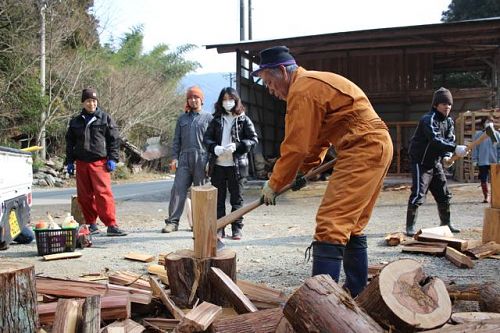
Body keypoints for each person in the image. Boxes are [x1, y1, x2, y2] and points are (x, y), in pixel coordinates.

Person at [253, 46, 393, 297]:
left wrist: (274, 183)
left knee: (331, 223)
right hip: (375, 144)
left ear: (283, 71)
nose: (270, 90)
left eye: (269, 82)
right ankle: (356, 293)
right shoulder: (310, 85)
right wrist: (302, 173)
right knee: (351, 226)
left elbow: (295, 146)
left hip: (363, 146)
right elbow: (316, 142)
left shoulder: (303, 90)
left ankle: (320, 302)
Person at [405, 87, 468, 237]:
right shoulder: (428, 119)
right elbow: (435, 140)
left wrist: (447, 156)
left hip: (436, 162)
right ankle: (410, 226)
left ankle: (446, 223)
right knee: (418, 194)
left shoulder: (449, 122)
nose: (447, 107)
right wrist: (454, 148)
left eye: (449, 104)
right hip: (421, 162)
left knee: (444, 194)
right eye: (444, 103)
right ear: (435, 105)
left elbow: (449, 139)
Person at [65, 87, 127, 236]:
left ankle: (111, 225)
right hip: (81, 163)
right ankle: (91, 224)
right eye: (88, 101)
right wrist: (69, 161)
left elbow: (114, 140)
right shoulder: (75, 122)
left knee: (103, 194)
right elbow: (69, 143)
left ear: (97, 102)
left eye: (93, 101)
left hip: (100, 162)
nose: (91, 104)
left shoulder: (105, 118)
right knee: (84, 196)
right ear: (83, 103)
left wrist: (112, 158)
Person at [203, 87, 258, 240]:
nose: (228, 102)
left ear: (236, 100)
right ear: (221, 101)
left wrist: (238, 146)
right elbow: (206, 139)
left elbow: (254, 140)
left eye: (230, 99)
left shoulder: (243, 119)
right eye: (225, 99)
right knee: (218, 200)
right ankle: (219, 228)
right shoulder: (216, 119)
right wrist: (215, 148)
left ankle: (237, 229)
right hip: (218, 165)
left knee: (237, 199)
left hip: (237, 166)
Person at [162, 86, 213, 233]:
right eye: (190, 98)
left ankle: (200, 223)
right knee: (178, 190)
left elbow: (212, 141)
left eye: (196, 97)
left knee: (200, 192)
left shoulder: (208, 118)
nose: (193, 100)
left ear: (201, 100)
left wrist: (210, 160)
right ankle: (172, 222)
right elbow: (176, 140)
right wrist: (174, 158)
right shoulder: (182, 118)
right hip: (184, 158)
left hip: (202, 158)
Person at [472, 116, 500, 203]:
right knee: (483, 179)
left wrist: (499, 159)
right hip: (482, 161)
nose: (489, 123)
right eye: (488, 121)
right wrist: (474, 159)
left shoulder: (497, 135)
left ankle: (495, 197)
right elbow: (475, 148)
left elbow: (499, 148)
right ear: (483, 124)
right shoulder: (478, 135)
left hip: (494, 161)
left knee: (495, 180)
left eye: (491, 121)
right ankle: (486, 196)